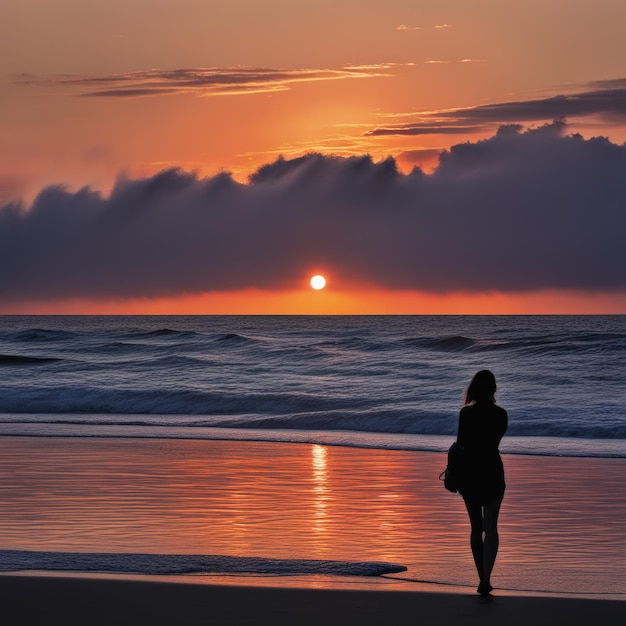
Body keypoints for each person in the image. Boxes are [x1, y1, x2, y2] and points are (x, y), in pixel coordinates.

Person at [455, 370, 508, 595]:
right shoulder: (501, 414)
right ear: (494, 389)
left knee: (476, 527)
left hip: (471, 473)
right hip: (493, 470)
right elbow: (496, 439)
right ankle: (487, 576)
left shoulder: (466, 414)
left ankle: (481, 578)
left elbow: (461, 445)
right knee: (491, 527)